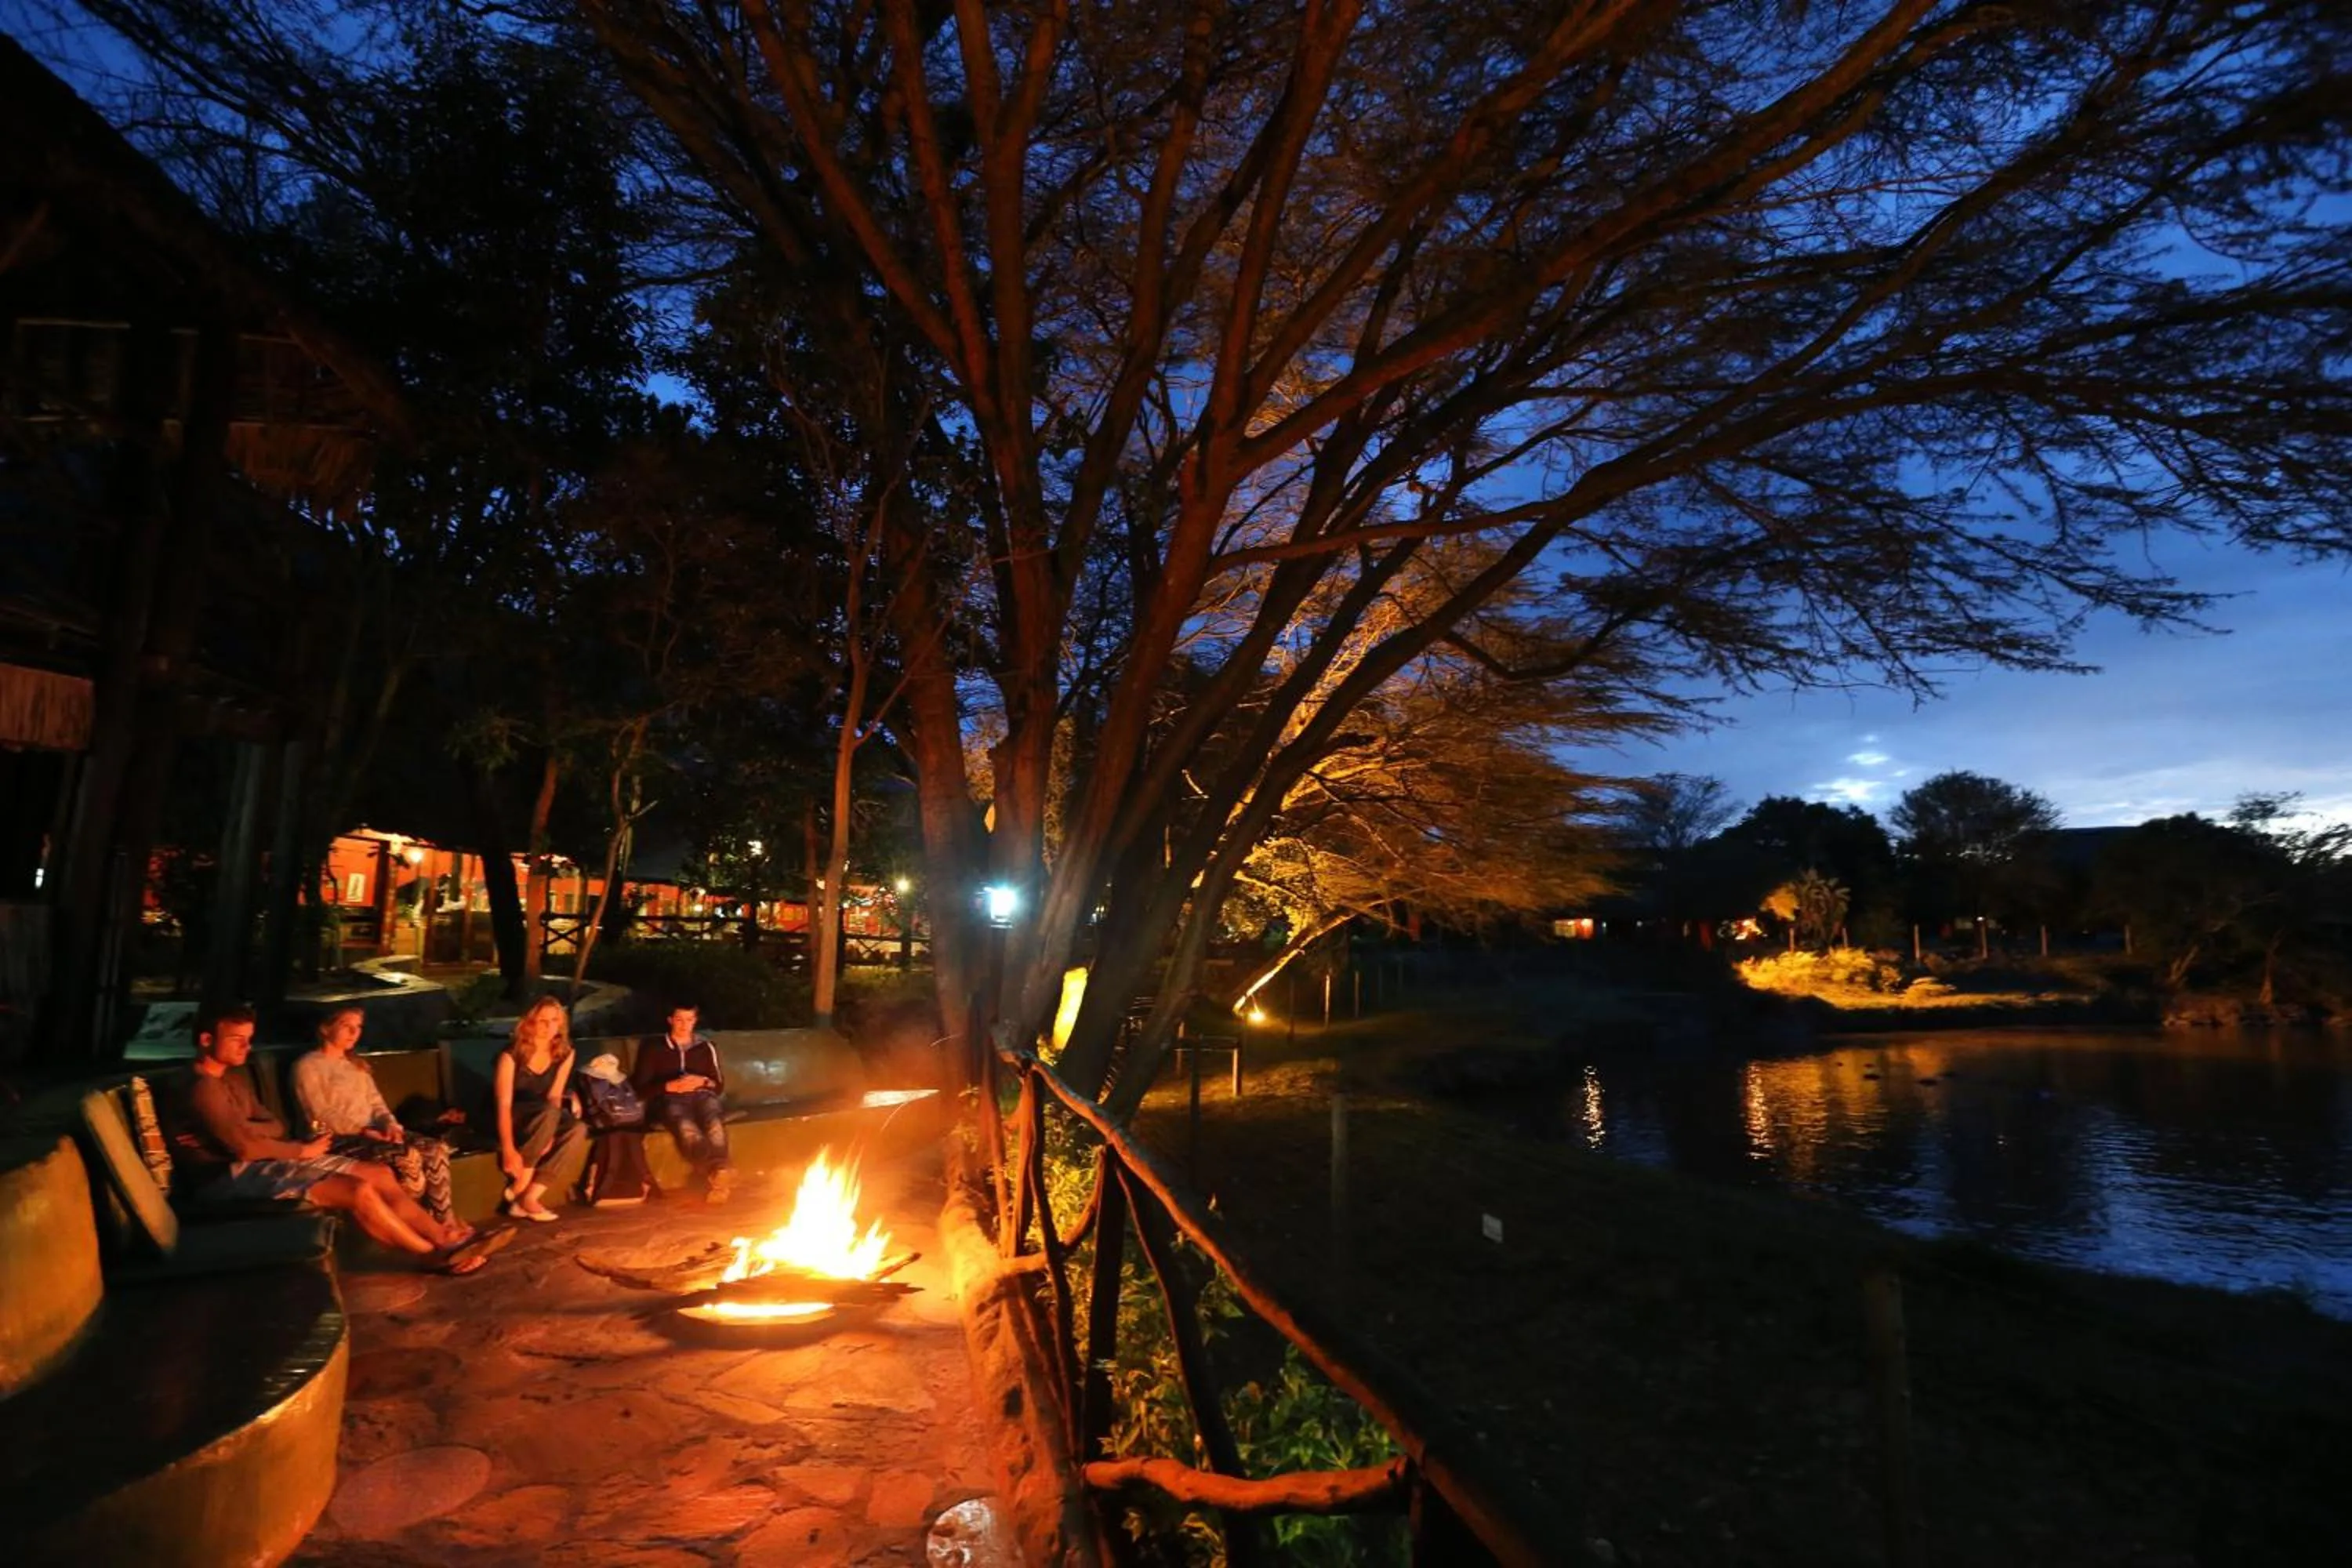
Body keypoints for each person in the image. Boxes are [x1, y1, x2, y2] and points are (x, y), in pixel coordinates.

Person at [167, 1004, 502, 1274]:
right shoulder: (202, 1089)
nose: (247, 1046)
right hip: (227, 1176)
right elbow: (246, 1148)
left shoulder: (232, 1080)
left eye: (249, 1038)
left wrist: (252, 1132)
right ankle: (432, 1254)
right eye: (236, 1039)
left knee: (379, 1174)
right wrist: (297, 1149)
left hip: (265, 1159)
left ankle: (444, 1234)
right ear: (206, 1040)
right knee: (358, 1190)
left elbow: (273, 1127)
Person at [289, 1005, 463, 1232]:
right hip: (337, 1138)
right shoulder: (307, 1066)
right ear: (325, 1028)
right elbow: (320, 1113)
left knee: (434, 1148)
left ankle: (444, 1222)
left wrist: (390, 1125)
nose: (354, 1033)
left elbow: (376, 1104)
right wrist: (364, 1131)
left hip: (374, 1134)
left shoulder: (357, 1066)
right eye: (346, 1026)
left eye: (358, 1027)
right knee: (407, 1158)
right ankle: (420, 1229)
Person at [493, 995, 586, 1221]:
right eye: (542, 1020)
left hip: (544, 1115)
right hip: (515, 1114)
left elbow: (554, 1095)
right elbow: (503, 1104)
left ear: (561, 1024)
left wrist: (550, 1132)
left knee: (578, 1129)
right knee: (548, 1112)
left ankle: (529, 1197)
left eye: (554, 1020)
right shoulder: (511, 1054)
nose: (547, 1026)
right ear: (530, 1022)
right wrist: (508, 1150)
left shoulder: (565, 1052)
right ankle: (524, 1178)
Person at [631, 1003, 731, 1203]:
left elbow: (718, 1086)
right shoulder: (654, 1048)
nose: (684, 1025)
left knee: (714, 1123)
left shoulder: (706, 1047)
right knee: (687, 1127)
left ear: (695, 1021)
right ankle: (717, 1173)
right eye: (679, 1020)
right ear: (670, 1020)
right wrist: (668, 1087)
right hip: (669, 1098)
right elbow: (639, 1088)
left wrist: (703, 1082)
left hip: (702, 1095)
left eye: (689, 1020)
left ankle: (719, 1175)